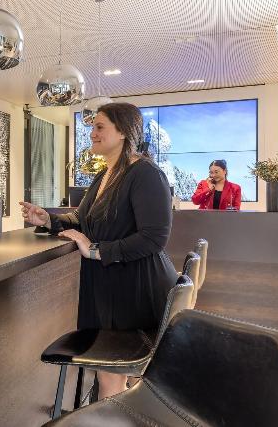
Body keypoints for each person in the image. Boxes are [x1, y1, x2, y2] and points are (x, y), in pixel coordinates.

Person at [19, 103, 177, 399]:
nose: (92, 133)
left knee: (110, 382)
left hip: (134, 290)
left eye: (99, 127)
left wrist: (94, 249)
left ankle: (112, 412)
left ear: (123, 132)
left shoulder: (146, 174)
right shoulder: (105, 174)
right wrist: (48, 219)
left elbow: (154, 238)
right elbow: (83, 219)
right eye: (92, 127)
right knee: (110, 381)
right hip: (110, 286)